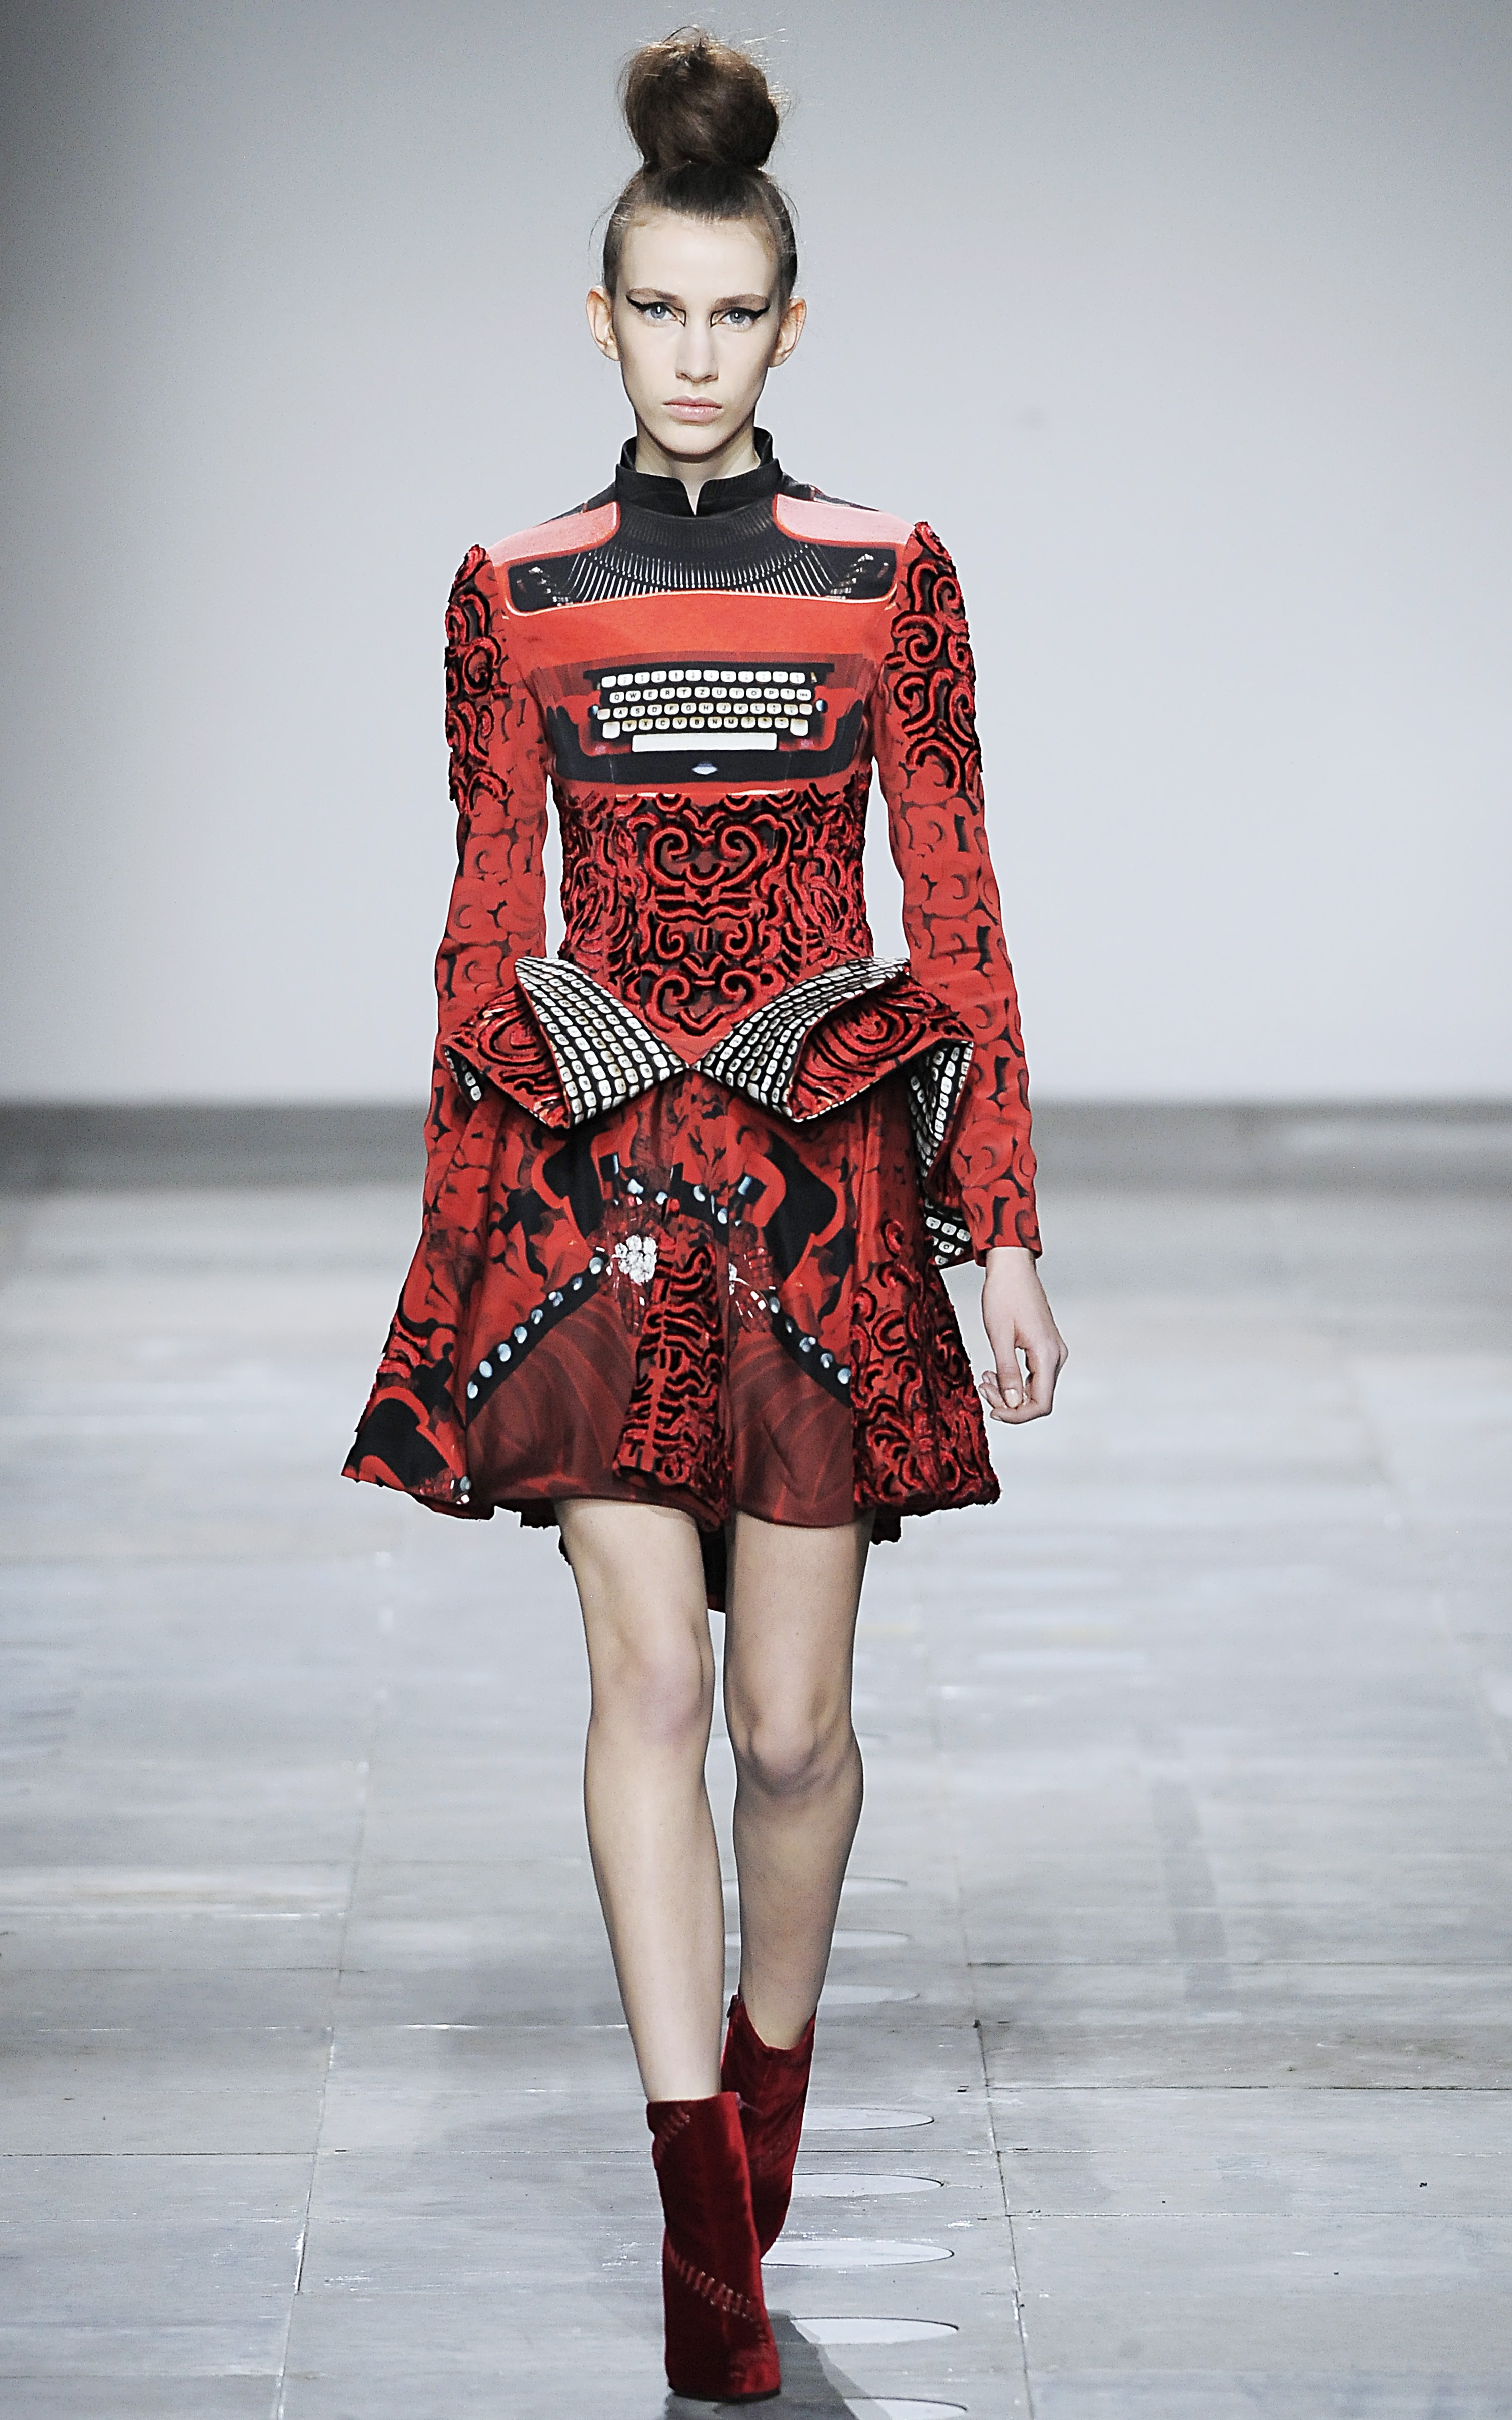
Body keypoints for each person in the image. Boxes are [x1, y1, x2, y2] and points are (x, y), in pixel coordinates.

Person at [345, 24, 1066, 2403]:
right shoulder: (514, 591)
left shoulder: (885, 579)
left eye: (730, 313)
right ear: (602, 319)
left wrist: (1001, 1226)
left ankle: (764, 2100)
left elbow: (956, 909)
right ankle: (699, 2233)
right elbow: (482, 926)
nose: (691, 352)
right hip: (598, 1203)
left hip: (825, 1208)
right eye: (655, 310)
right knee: (646, 1689)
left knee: (788, 1731)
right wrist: (464, 1227)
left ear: (786, 323)